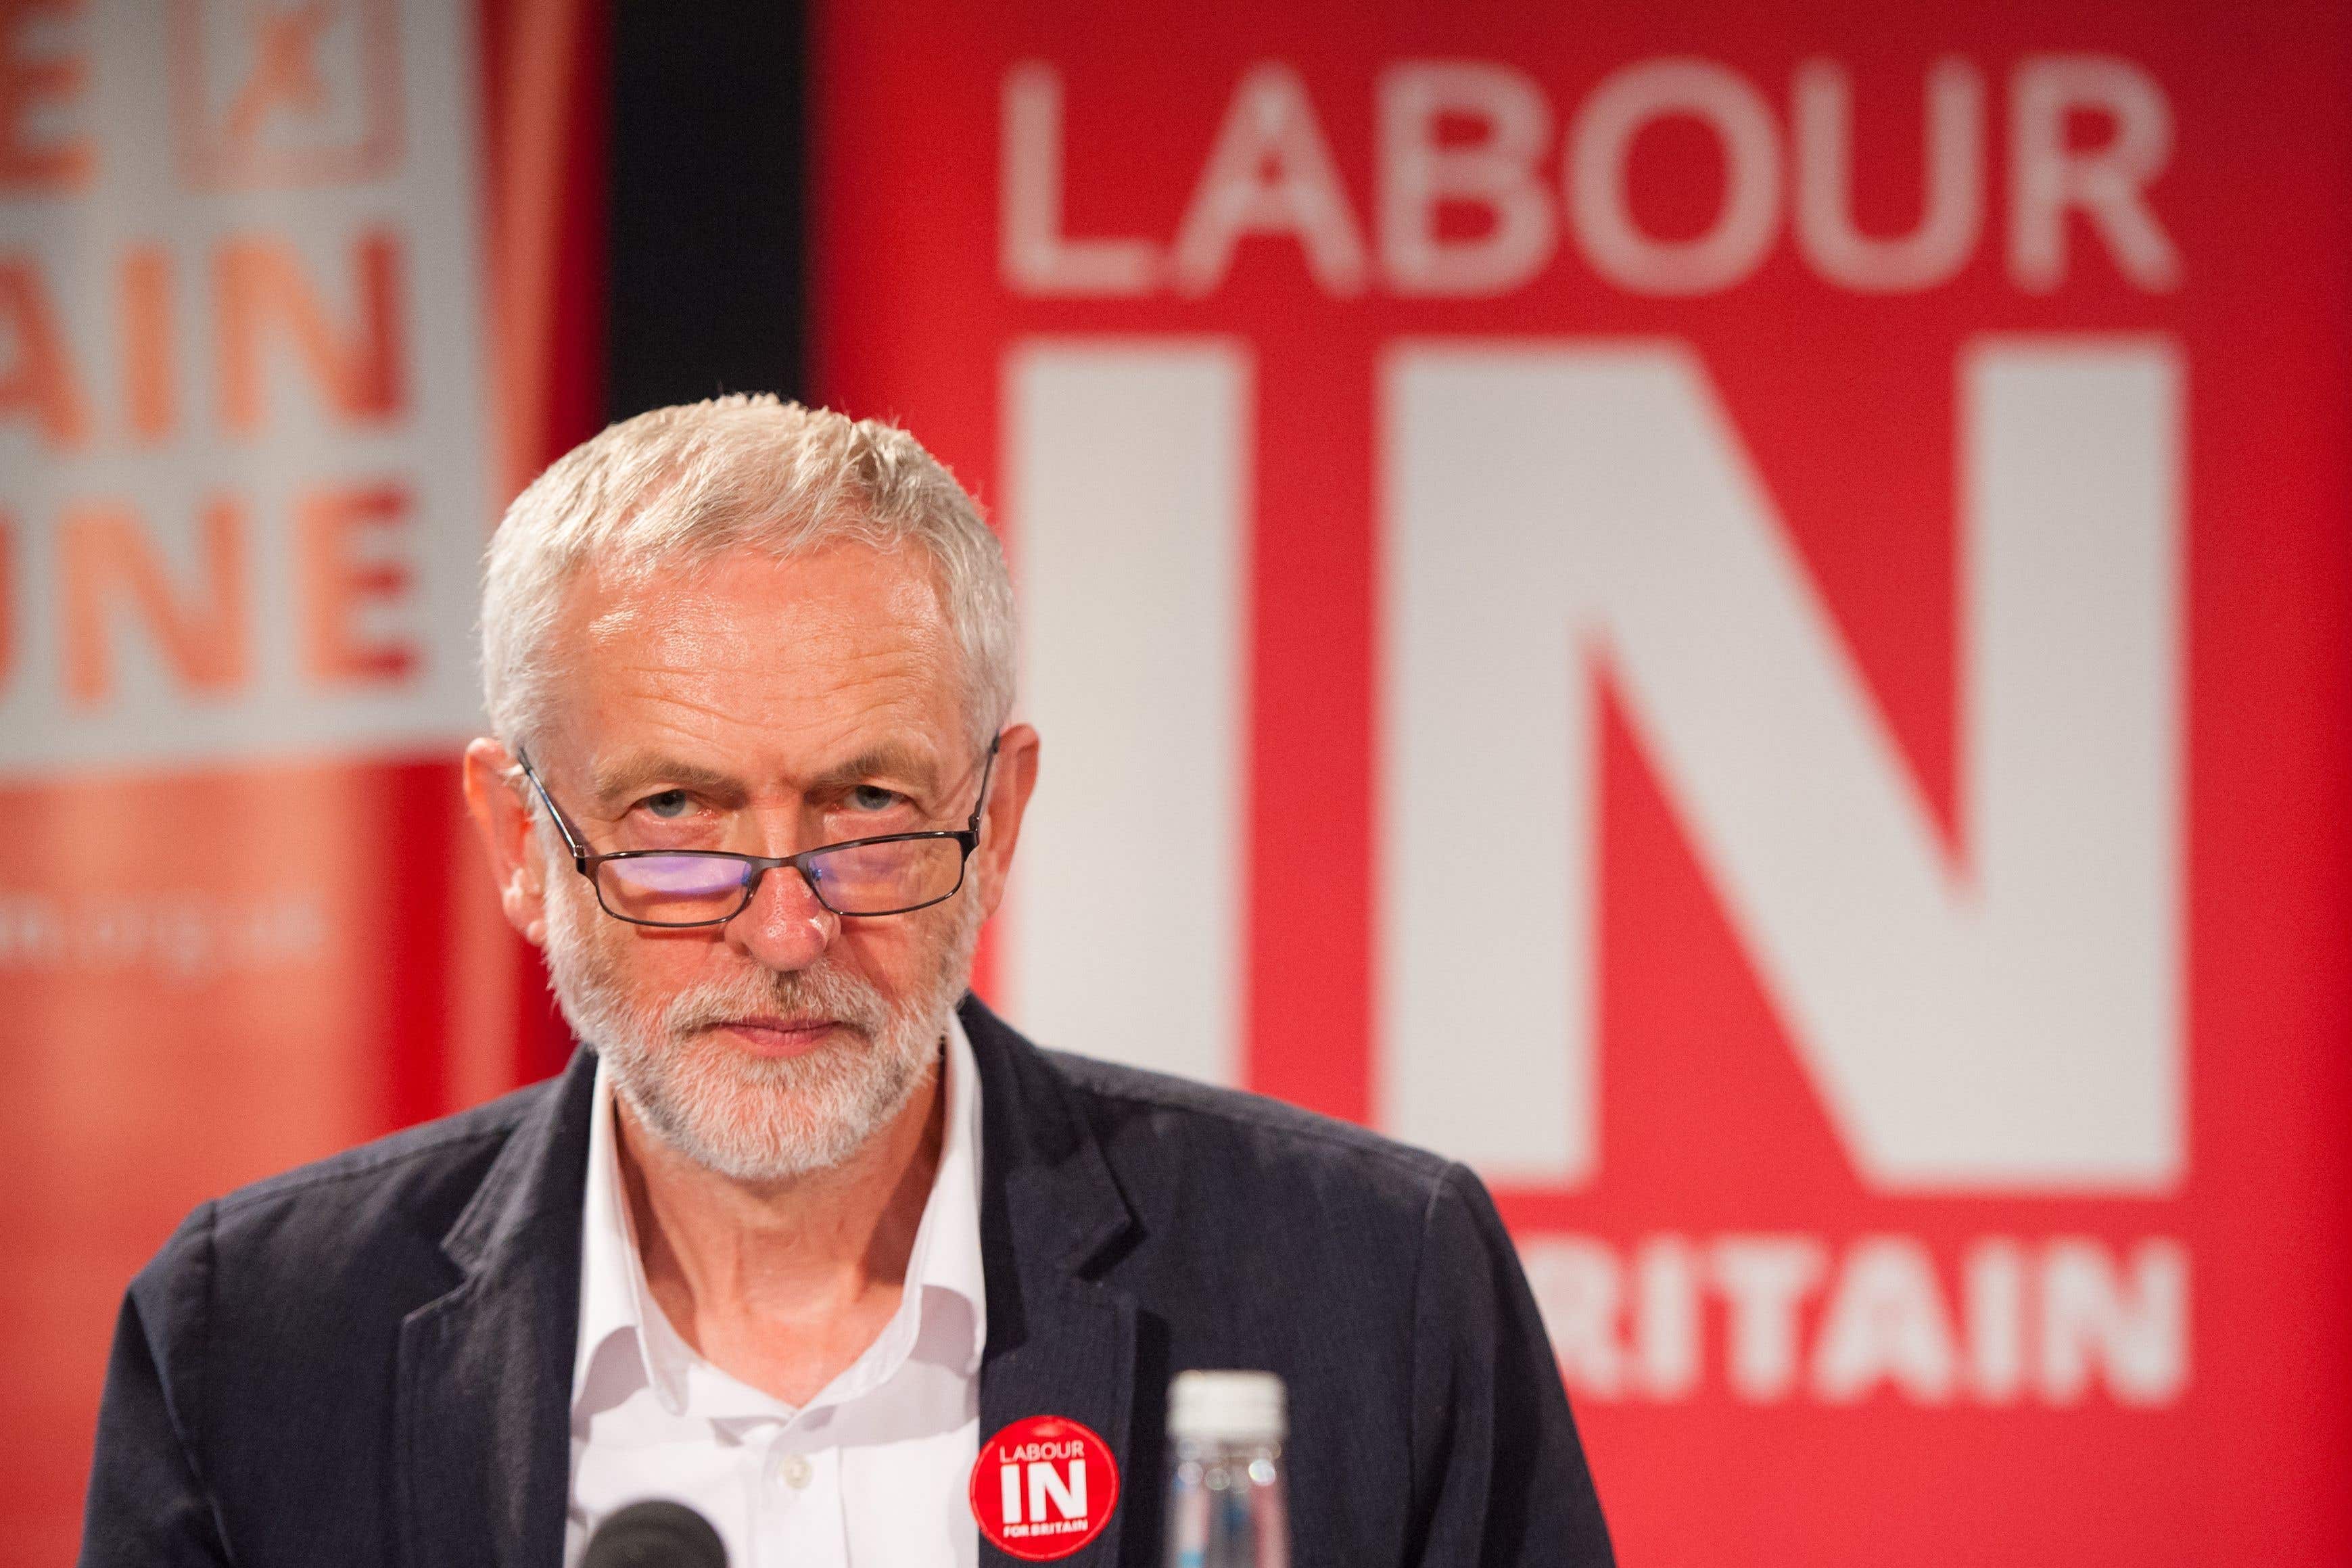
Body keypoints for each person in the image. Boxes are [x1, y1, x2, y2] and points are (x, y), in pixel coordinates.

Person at [78, 398, 1613, 1567]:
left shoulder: (1372, 1288)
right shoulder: (256, 1342)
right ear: (517, 839)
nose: (784, 925)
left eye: (869, 806)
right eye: (673, 815)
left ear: (996, 817)